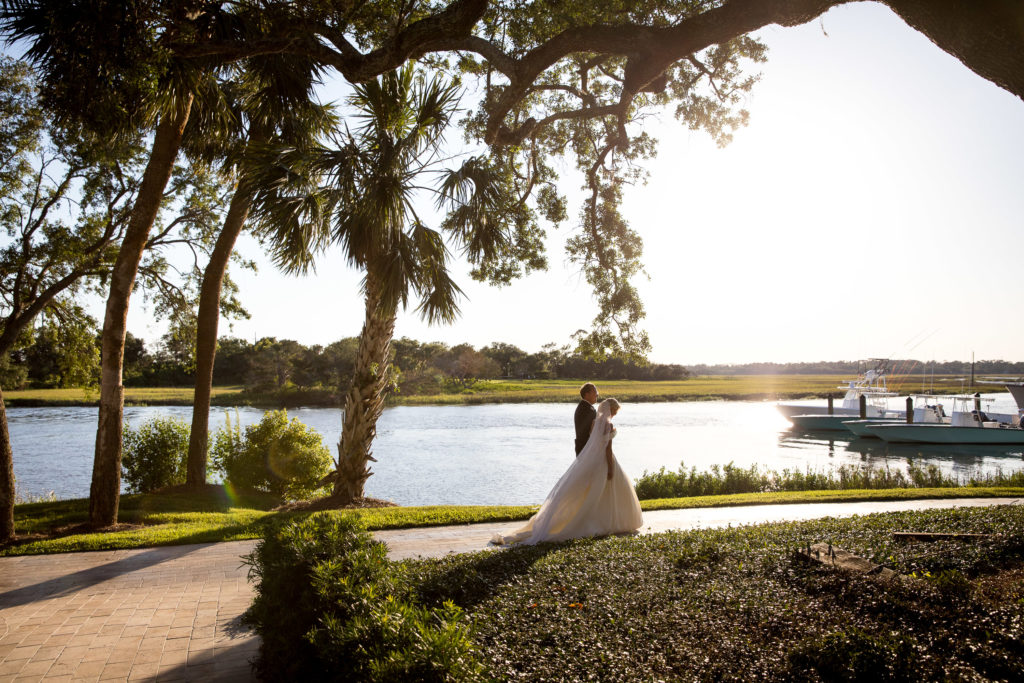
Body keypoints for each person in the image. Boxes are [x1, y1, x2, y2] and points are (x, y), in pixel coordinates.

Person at [491, 398, 643, 545]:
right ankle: (606, 522)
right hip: (604, 461)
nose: (615, 414)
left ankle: (597, 521)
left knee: (591, 492)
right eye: (615, 411)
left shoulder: (594, 423)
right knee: (606, 491)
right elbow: (608, 449)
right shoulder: (608, 425)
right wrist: (610, 468)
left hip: (593, 461)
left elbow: (592, 443)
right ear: (612, 410)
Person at [574, 382, 599, 456]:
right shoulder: (587, 409)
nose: (597, 394)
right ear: (586, 394)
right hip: (586, 449)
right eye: (594, 391)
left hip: (582, 448)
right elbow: (593, 431)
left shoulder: (585, 407)